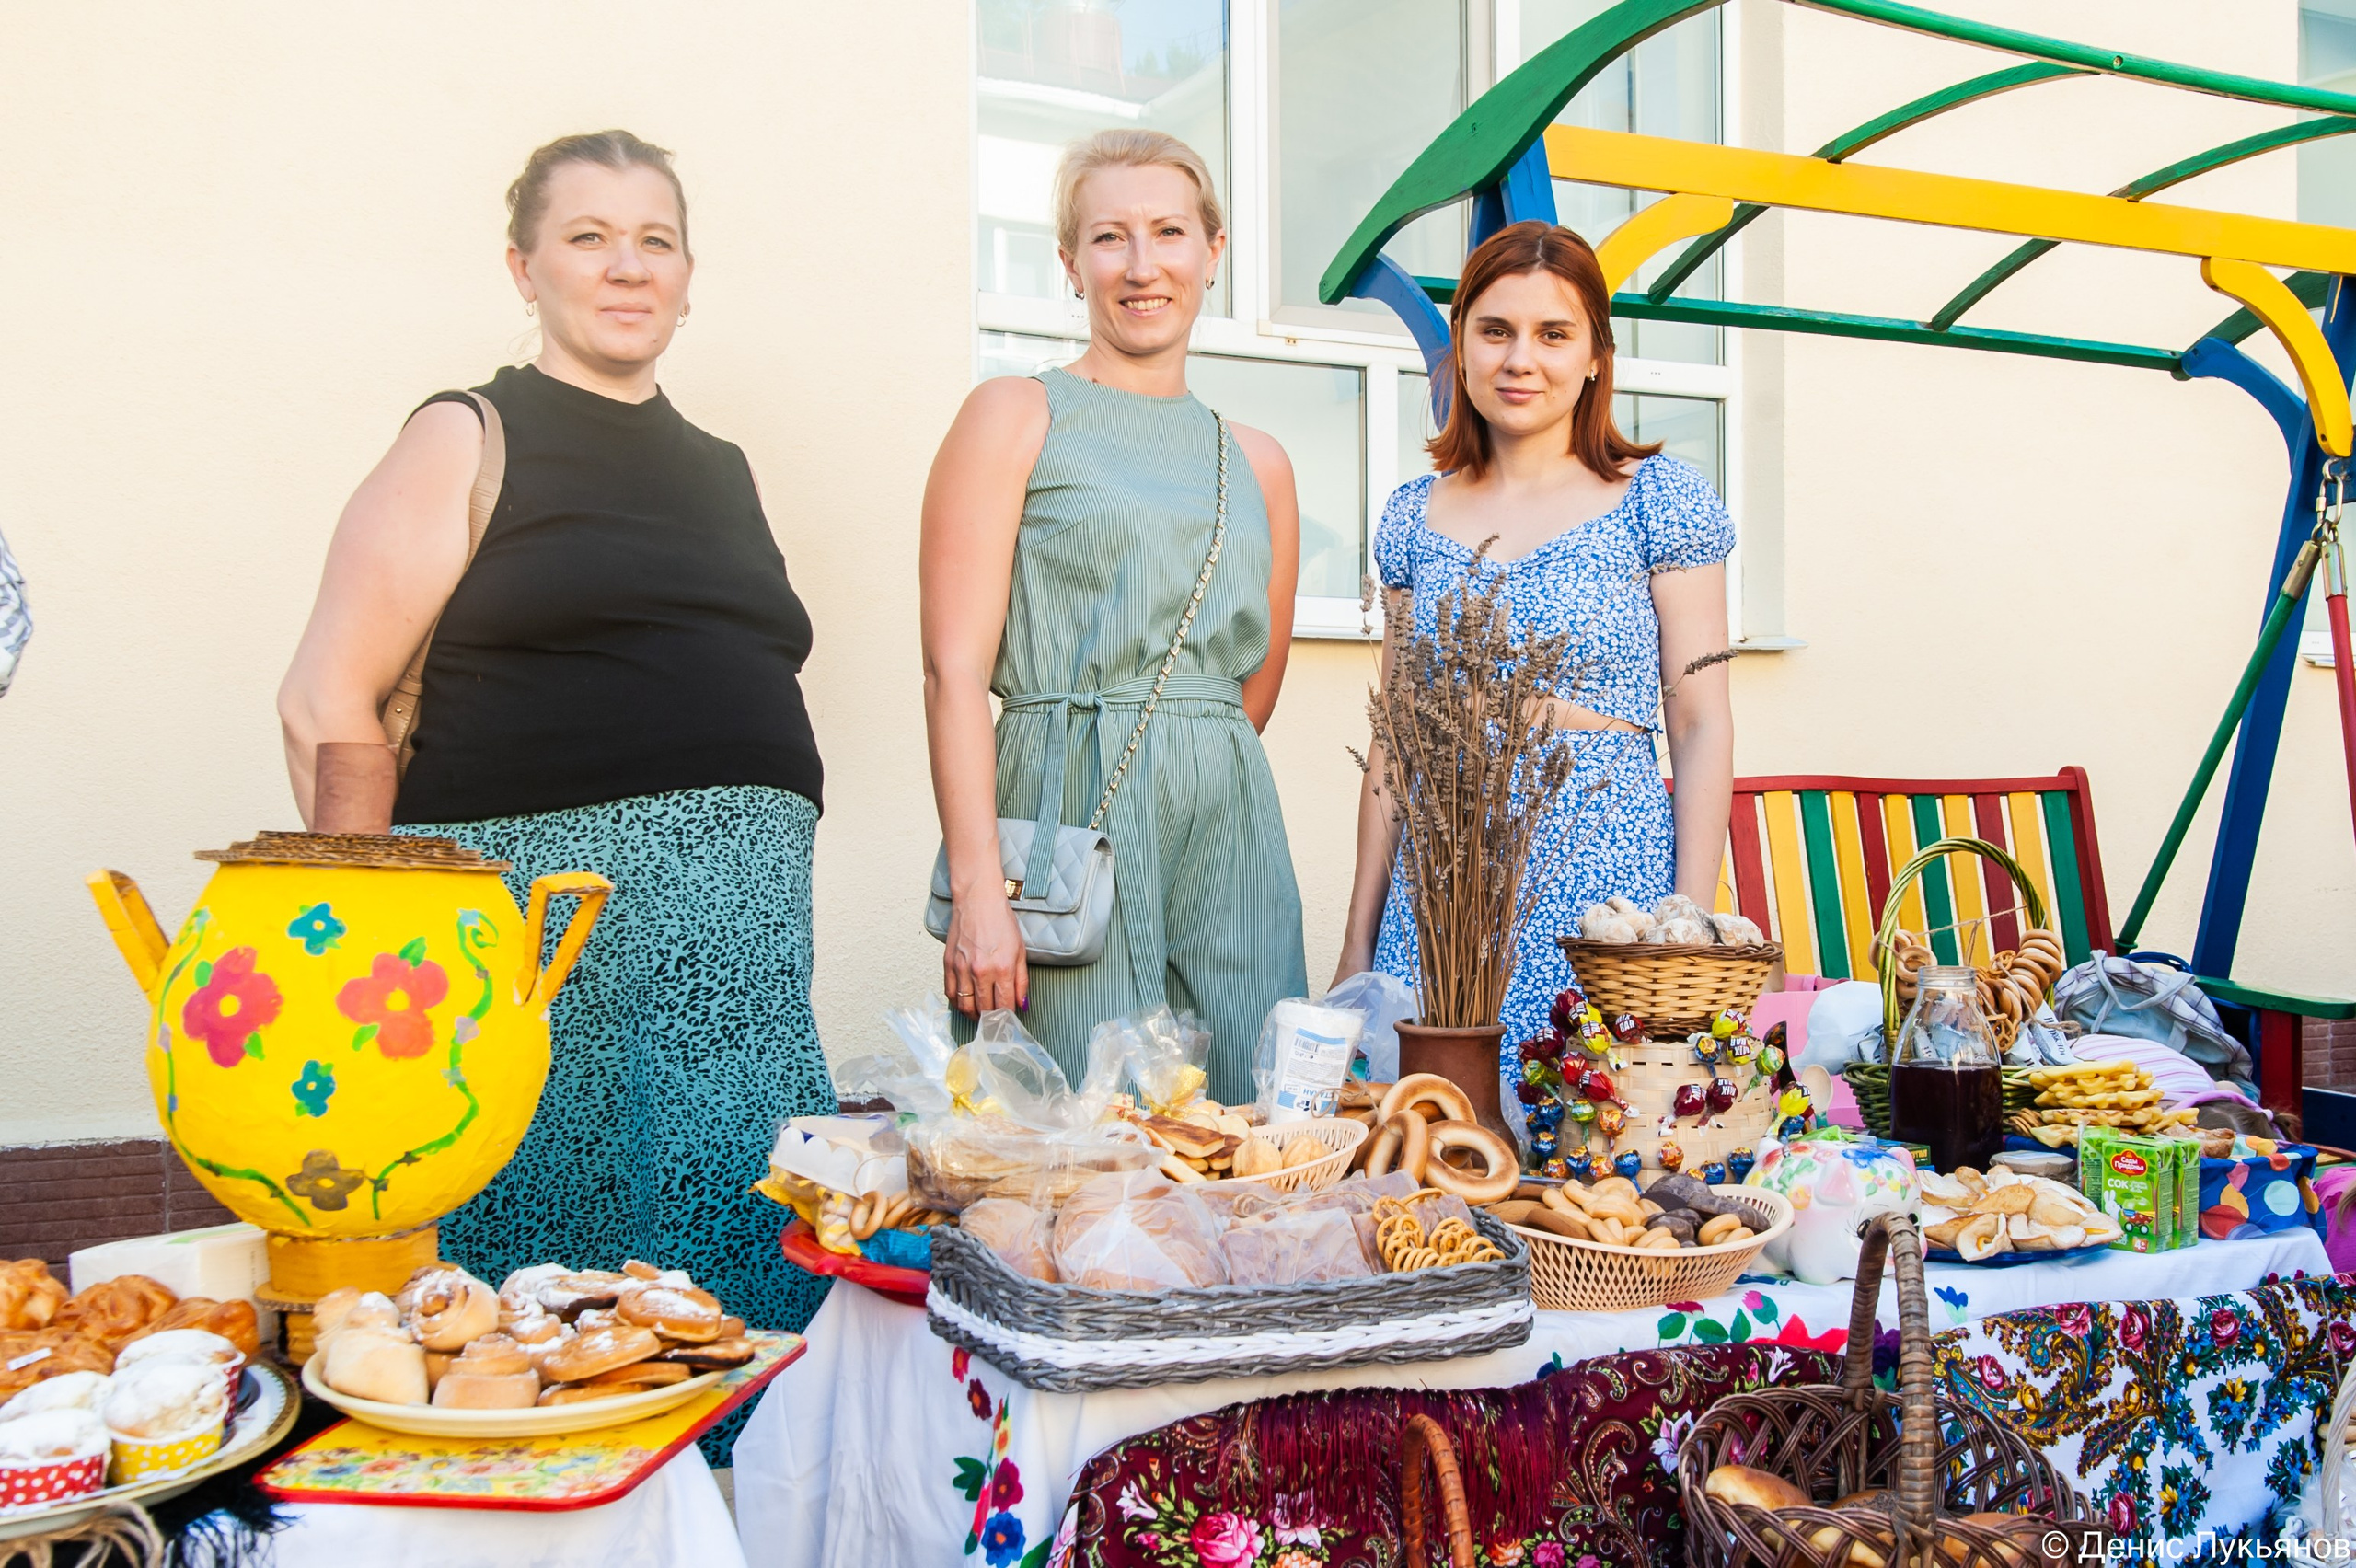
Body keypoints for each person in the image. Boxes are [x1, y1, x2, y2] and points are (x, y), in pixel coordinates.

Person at [276, 132, 832, 1428]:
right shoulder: (467, 432)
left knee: (736, 1282)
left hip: (739, 973)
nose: (625, 267)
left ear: (690, 275)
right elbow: (326, 700)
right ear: (524, 267)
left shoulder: (723, 467)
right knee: (540, 1289)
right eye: (588, 237)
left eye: (655, 240)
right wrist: (354, 956)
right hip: (543, 946)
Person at [921, 128, 1307, 1105]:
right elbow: (953, 670)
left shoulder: (1256, 461)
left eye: (1169, 232)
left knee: (1245, 1119)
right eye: (1109, 238)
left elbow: (1250, 686)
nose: (1142, 267)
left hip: (1225, 821)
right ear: (1069, 262)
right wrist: (979, 890)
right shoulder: (1015, 412)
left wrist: (1181, 759)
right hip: (1062, 807)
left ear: (1212, 251)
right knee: (1062, 1132)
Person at [1333, 221, 1735, 1113]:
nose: (1521, 359)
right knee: (1436, 1147)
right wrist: (1357, 943)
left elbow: (1701, 723)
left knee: (1592, 1150)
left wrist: (1682, 932)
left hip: (1603, 883)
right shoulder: (1412, 517)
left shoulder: (1657, 503)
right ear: (1462, 349)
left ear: (1596, 356)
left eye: (1553, 334)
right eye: (1494, 330)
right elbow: (1394, 747)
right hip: (1441, 902)